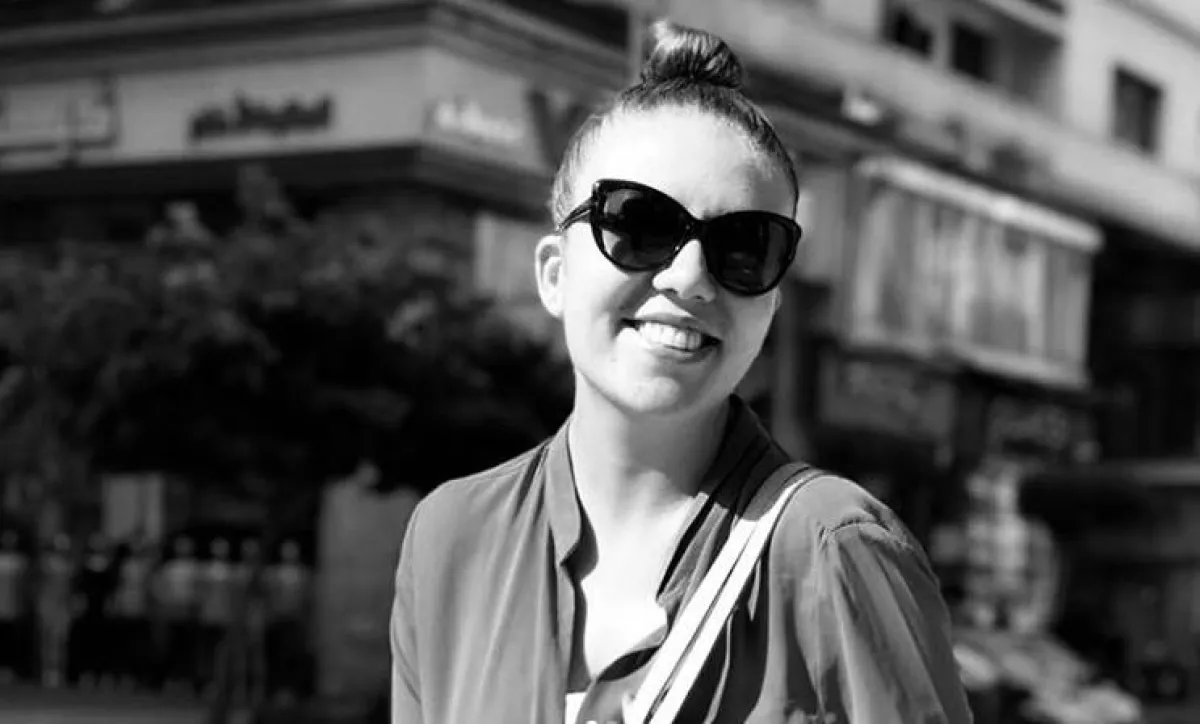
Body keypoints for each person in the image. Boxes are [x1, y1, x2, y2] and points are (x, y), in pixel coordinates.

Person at [390, 20, 971, 724]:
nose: (690, 277)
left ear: (771, 305)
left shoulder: (837, 550)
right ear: (554, 272)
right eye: (639, 225)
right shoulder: (452, 538)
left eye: (744, 247)